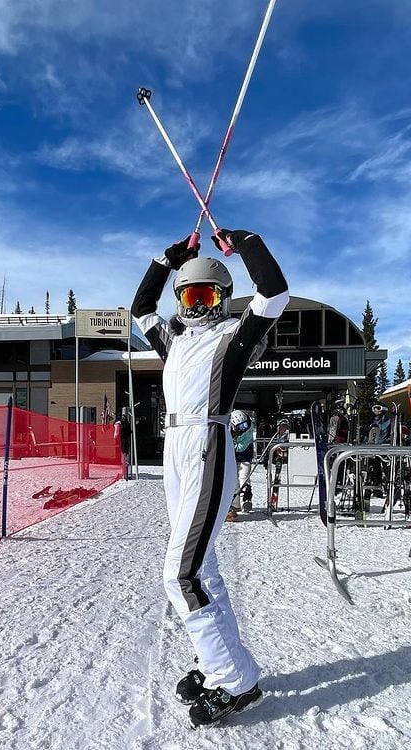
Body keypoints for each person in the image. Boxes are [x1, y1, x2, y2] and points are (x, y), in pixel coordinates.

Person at [131, 228, 288, 727]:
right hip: (174, 451)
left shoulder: (232, 338)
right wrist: (167, 259)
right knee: (205, 568)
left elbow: (275, 292)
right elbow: (139, 311)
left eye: (209, 296)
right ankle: (215, 662)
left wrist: (244, 242)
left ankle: (236, 681)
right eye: (190, 296)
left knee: (180, 574)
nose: (198, 306)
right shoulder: (173, 340)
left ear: (222, 300)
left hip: (207, 445)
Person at [228, 409, 255, 519]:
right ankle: (235, 504)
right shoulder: (229, 428)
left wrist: (232, 443)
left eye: (243, 427)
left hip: (244, 455)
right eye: (239, 428)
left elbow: (241, 447)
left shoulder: (248, 430)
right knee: (233, 479)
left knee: (244, 477)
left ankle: (246, 500)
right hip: (232, 457)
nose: (242, 430)